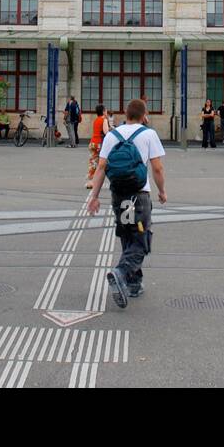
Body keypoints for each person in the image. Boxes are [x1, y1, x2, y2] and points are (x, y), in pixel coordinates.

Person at [89, 98, 166, 307]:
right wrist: (162, 191)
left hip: (119, 196)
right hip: (139, 194)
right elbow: (157, 168)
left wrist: (94, 197)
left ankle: (133, 283)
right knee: (141, 240)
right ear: (144, 115)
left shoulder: (112, 135)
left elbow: (101, 167)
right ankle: (121, 273)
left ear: (125, 113)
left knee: (127, 234)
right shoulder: (148, 134)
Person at [87, 104, 107, 188]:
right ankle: (95, 182)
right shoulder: (104, 119)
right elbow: (106, 132)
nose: (107, 112)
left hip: (92, 143)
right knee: (101, 164)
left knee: (93, 162)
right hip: (99, 144)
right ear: (103, 111)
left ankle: (91, 181)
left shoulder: (96, 120)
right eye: (106, 110)